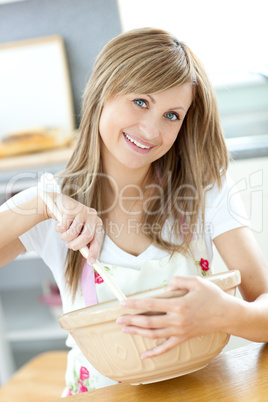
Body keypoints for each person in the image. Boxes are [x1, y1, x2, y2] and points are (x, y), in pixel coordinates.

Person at [0, 27, 268, 396]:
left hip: (201, 391)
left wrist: (226, 313)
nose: (151, 129)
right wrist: (39, 201)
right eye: (141, 102)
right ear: (103, 92)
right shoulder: (55, 206)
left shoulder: (207, 191)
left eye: (172, 115)